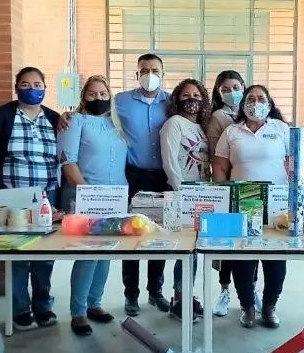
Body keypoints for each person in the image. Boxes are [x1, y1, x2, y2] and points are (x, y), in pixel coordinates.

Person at [0, 66, 61, 330]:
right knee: (19, 254)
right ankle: (20, 309)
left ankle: (43, 306)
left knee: (45, 254)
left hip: (47, 195)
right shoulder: (0, 117)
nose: (32, 89)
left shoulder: (55, 119)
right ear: (16, 87)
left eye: (37, 84)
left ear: (45, 88)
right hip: (12, 195)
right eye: (25, 84)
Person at [212, 85, 289, 329]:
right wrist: (224, 198)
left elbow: (293, 164)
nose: (256, 103)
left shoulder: (281, 129)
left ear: (269, 103)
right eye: (251, 98)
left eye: (261, 98)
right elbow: (221, 168)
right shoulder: (231, 131)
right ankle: (247, 307)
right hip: (242, 202)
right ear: (244, 103)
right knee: (243, 258)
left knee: (275, 258)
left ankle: (270, 306)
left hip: (276, 205)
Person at [57, 75, 127, 336]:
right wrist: (89, 192)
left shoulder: (115, 125)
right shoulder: (75, 122)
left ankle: (95, 303)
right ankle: (78, 312)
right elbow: (68, 162)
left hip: (116, 197)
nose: (98, 98)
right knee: (88, 255)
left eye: (103, 94)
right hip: (87, 196)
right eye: (92, 94)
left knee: (106, 253)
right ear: (83, 98)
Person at [113, 54, 172, 317]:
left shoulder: (172, 102)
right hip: (133, 175)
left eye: (155, 70)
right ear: (137, 75)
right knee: (132, 234)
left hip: (163, 177)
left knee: (158, 235)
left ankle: (155, 291)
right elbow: (94, 116)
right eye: (144, 70)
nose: (150, 74)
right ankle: (131, 294)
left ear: (162, 73)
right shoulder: (121, 101)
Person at [205, 70, 260, 318]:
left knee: (254, 243)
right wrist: (223, 191)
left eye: (236, 87)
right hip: (228, 188)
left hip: (254, 192)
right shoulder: (218, 117)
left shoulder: (257, 111)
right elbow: (217, 158)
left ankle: (251, 290)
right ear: (218, 93)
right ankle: (225, 290)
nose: (231, 92)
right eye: (225, 89)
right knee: (229, 245)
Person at [160, 78, 211, 322]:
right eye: (186, 95)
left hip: (201, 193)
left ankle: (187, 295)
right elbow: (170, 162)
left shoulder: (201, 127)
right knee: (184, 249)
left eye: (197, 95)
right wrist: (182, 193)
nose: (192, 100)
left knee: (195, 250)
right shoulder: (173, 124)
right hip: (181, 194)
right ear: (177, 99)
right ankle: (179, 299)